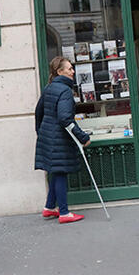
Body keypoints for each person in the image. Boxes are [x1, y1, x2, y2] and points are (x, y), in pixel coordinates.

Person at [35, 56, 91, 224]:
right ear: (60, 72)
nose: (73, 71)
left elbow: (38, 113)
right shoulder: (65, 91)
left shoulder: (49, 88)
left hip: (48, 136)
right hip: (59, 137)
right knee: (60, 172)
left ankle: (49, 207)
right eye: (69, 69)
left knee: (55, 170)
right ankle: (64, 213)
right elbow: (65, 118)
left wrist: (42, 133)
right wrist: (83, 138)